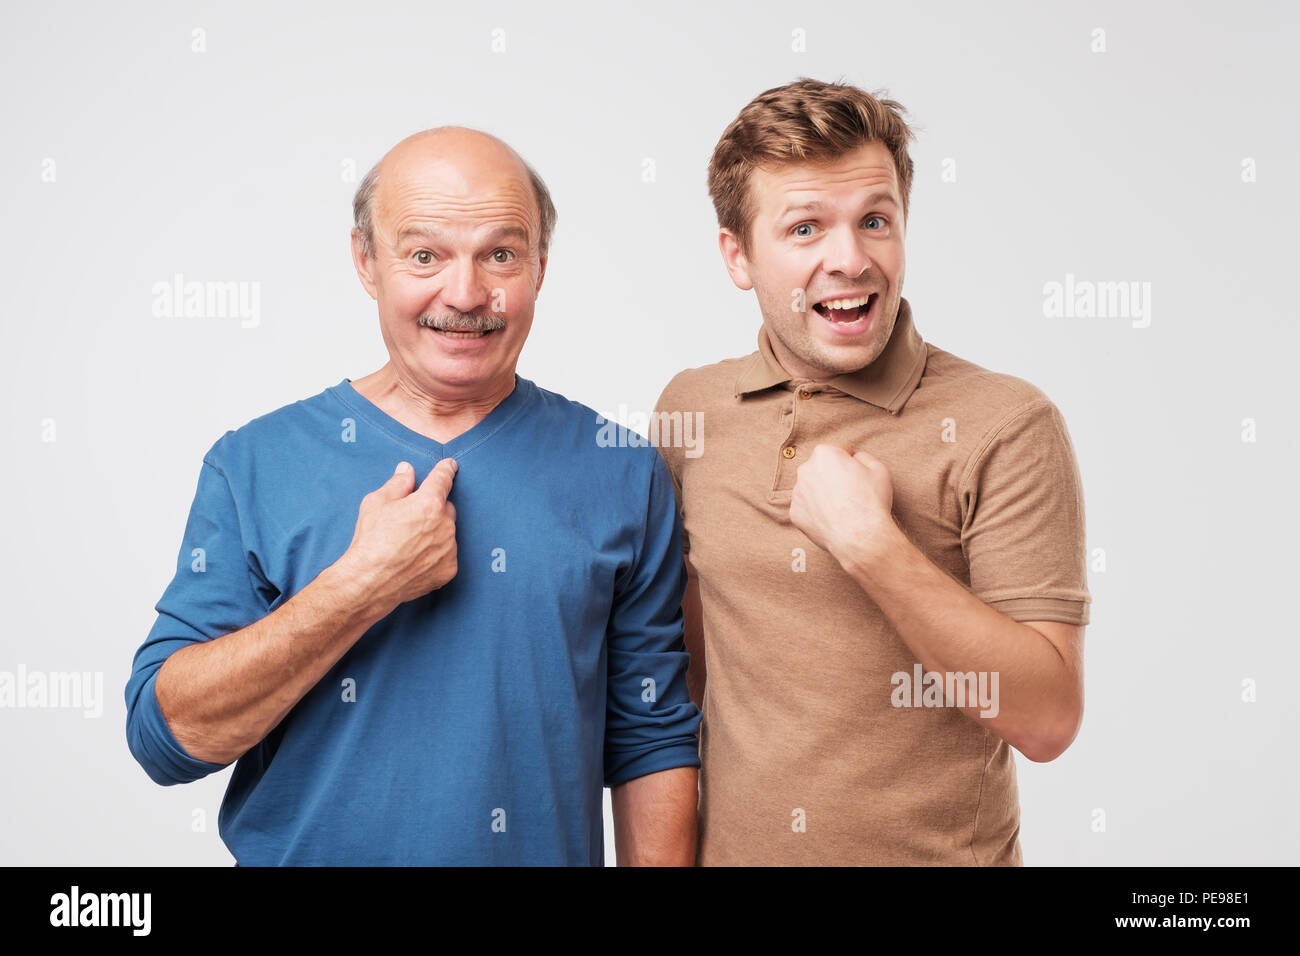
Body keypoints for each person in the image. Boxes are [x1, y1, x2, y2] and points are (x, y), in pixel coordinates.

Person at [126, 127, 701, 866]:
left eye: (500, 254)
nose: (464, 295)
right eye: (425, 255)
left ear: (541, 266)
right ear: (367, 261)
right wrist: (359, 587)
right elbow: (166, 741)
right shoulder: (255, 464)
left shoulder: (623, 470)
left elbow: (649, 736)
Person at [654, 79, 1091, 865]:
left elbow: (1048, 718)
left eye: (875, 221)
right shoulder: (693, 412)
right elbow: (687, 671)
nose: (849, 260)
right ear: (737, 255)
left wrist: (871, 547)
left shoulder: (1007, 423)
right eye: (805, 228)